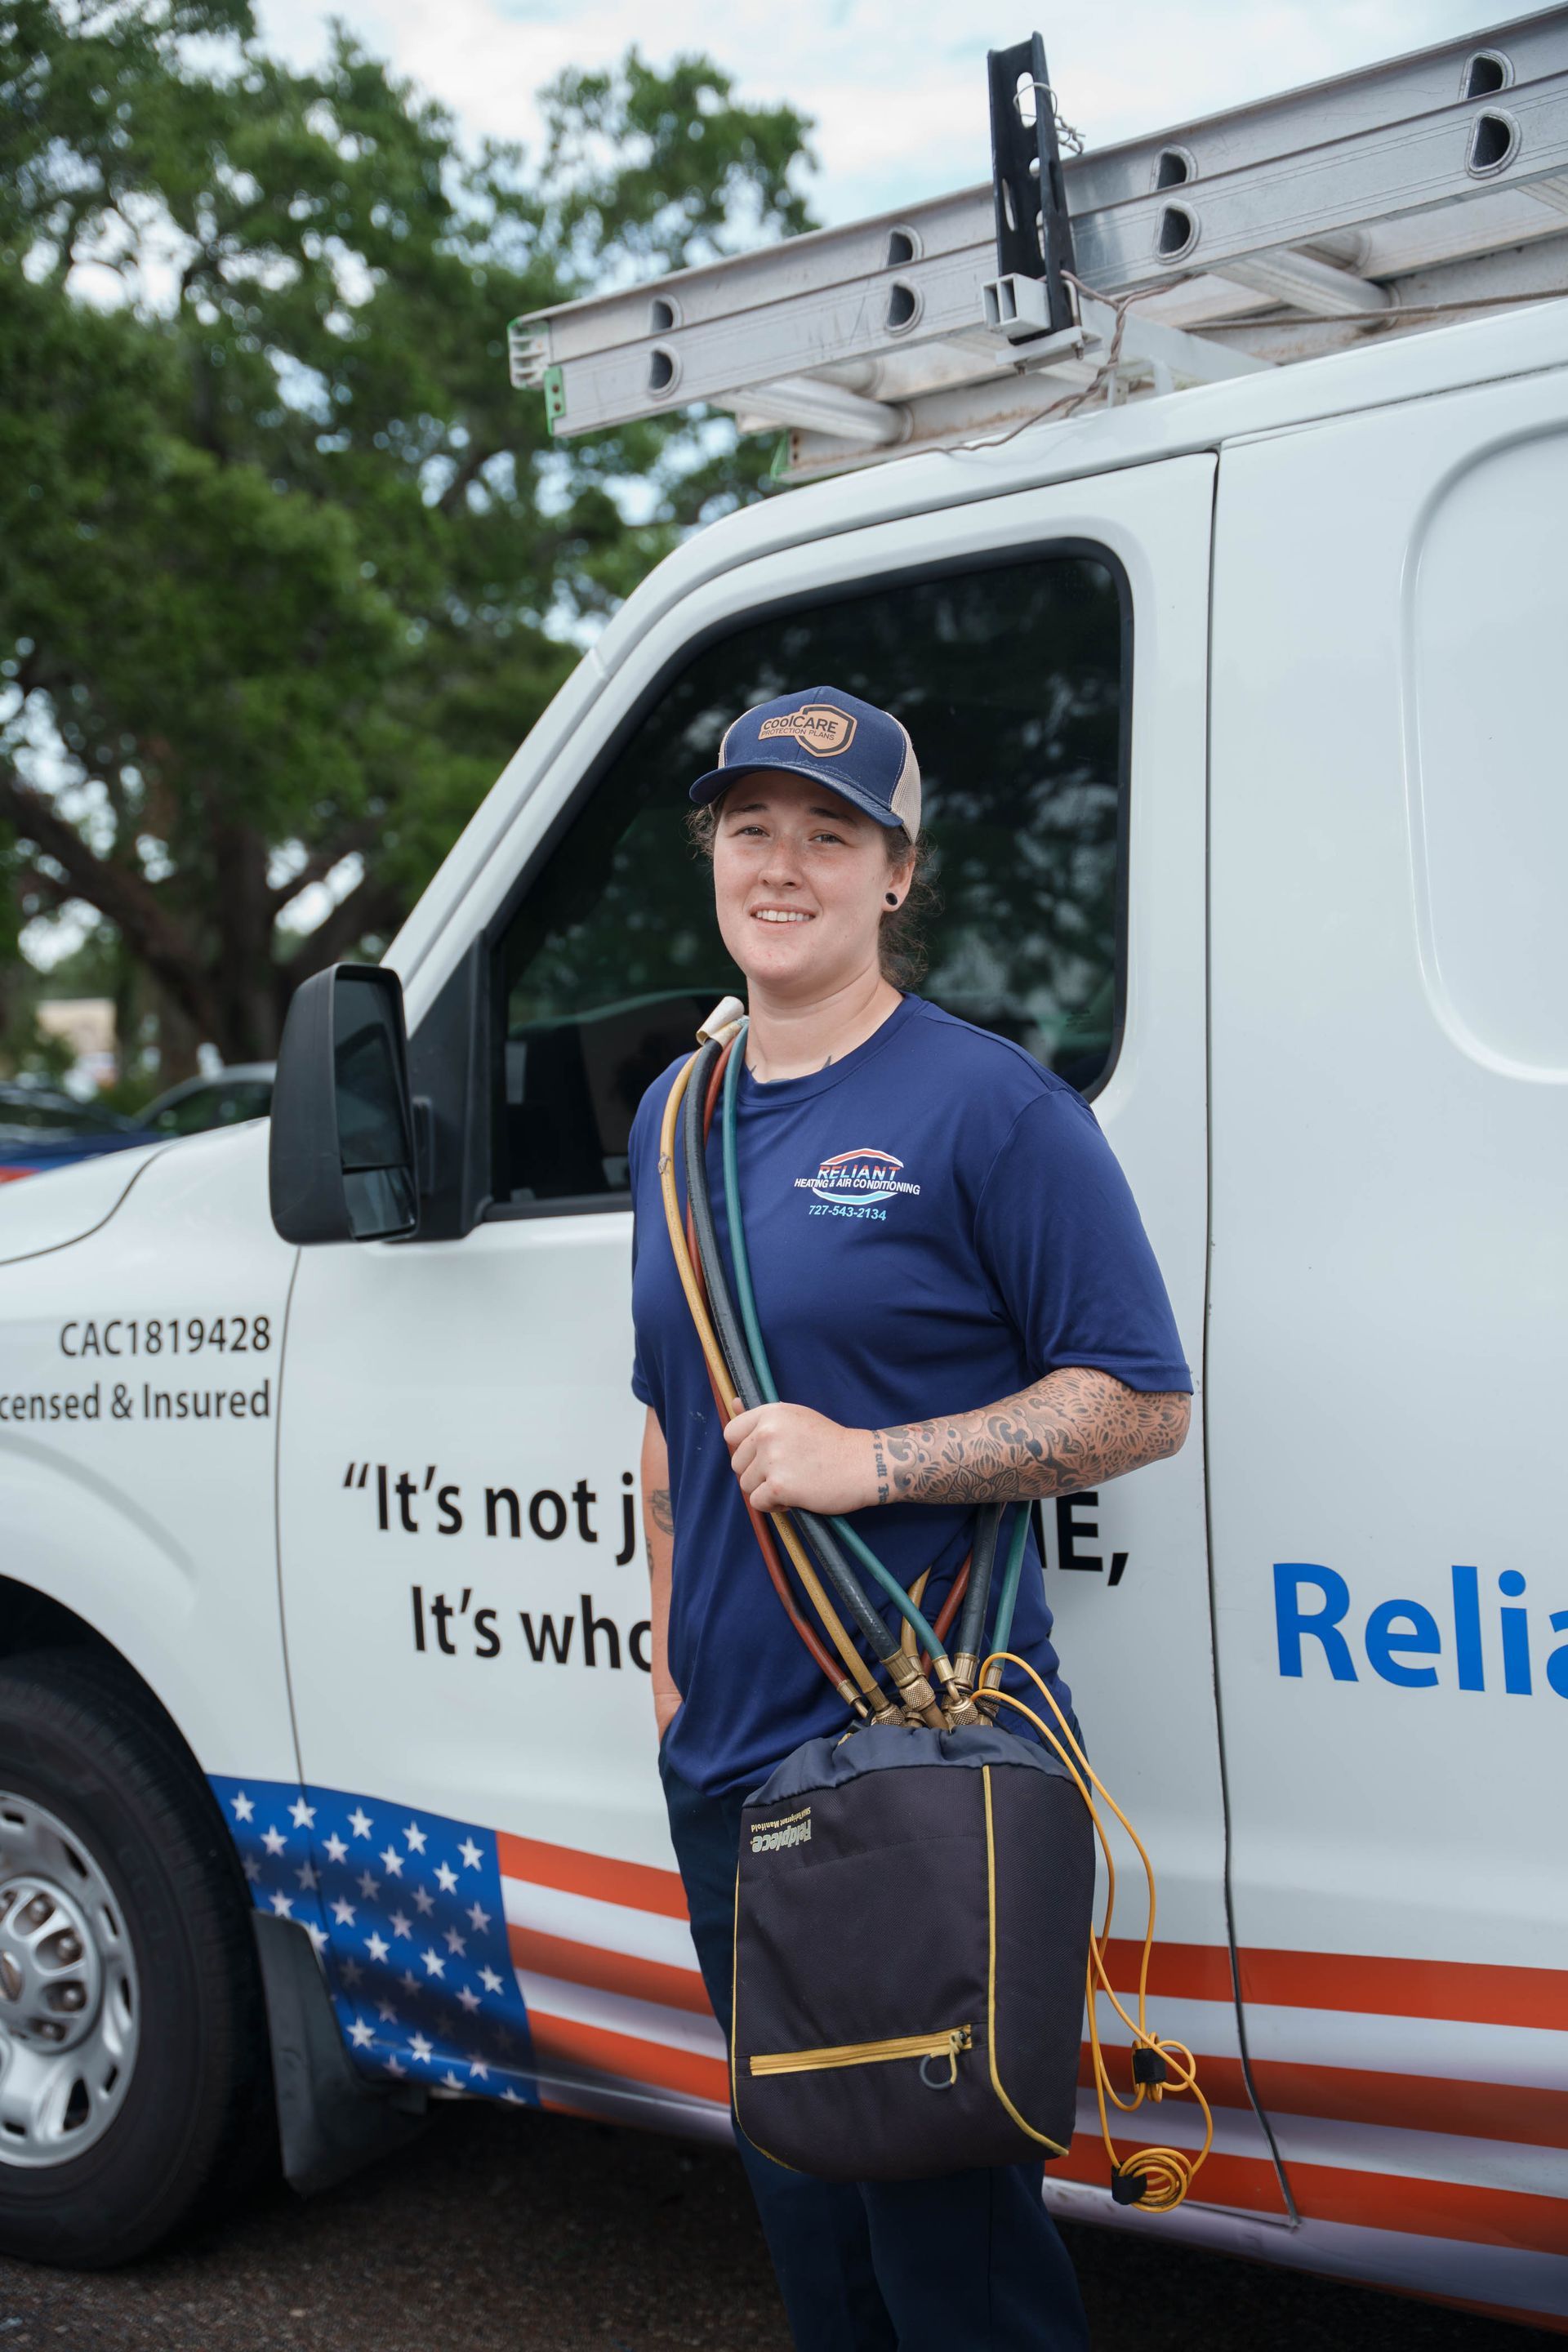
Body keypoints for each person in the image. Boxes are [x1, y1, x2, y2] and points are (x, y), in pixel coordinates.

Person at [628, 684, 1192, 2352]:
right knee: (817, 2249)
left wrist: (873, 1461)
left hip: (919, 1774)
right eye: (752, 830)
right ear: (715, 860)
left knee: (959, 2272)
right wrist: (670, 1664)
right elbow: (669, 1426)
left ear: (897, 875)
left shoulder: (991, 1106)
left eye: (828, 834)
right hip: (730, 1779)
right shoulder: (675, 1118)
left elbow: (1140, 1399)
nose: (781, 866)